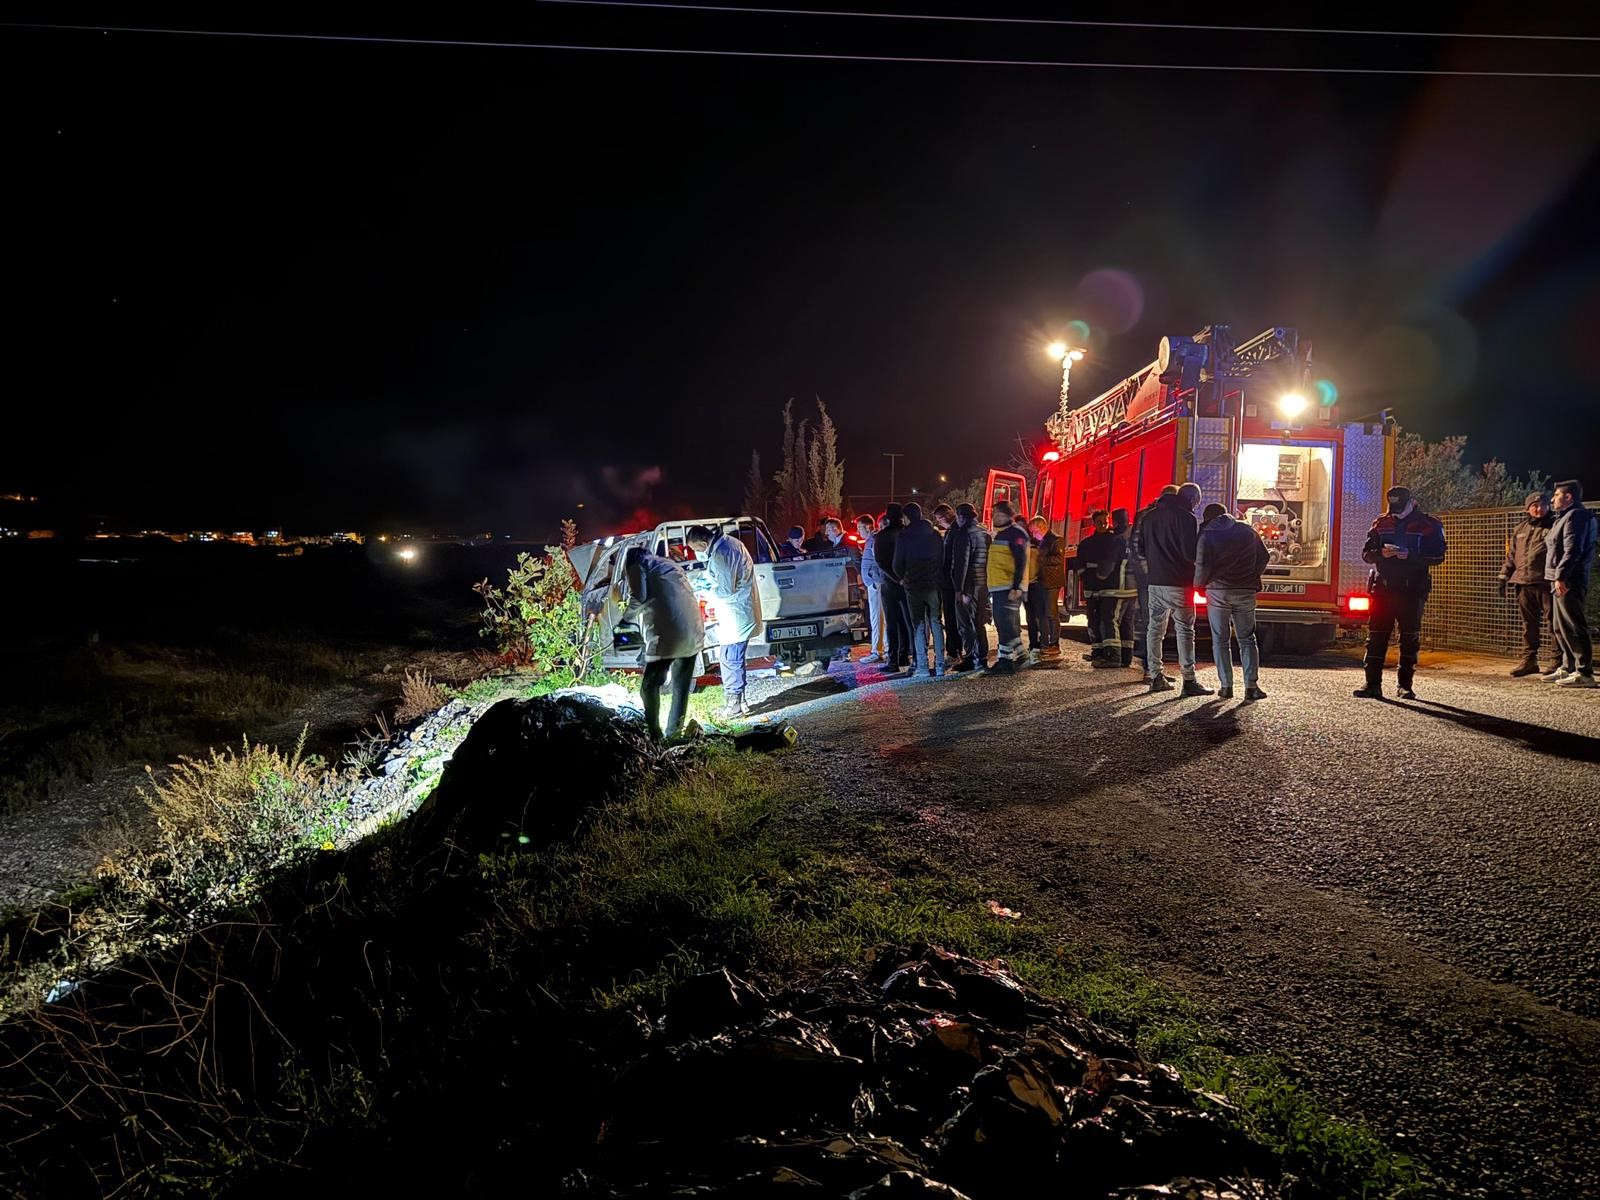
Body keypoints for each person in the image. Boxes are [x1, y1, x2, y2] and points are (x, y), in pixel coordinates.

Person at [1353, 485, 1447, 700]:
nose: (1395, 510)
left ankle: (1405, 686)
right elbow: (1367, 554)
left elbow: (1438, 556)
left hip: (1412, 589)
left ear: (1410, 503)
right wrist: (1381, 553)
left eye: (1399, 506)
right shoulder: (1381, 523)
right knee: (1376, 637)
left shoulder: (1428, 525)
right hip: (1383, 588)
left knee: (1409, 638)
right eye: (1392, 506)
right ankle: (1372, 685)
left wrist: (1410, 555)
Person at [616, 546, 705, 739]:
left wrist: (625, 619)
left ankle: (654, 733)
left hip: (669, 633)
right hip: (693, 628)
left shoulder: (637, 565)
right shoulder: (669, 564)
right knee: (681, 685)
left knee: (649, 686)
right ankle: (674, 733)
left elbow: (638, 596)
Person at [1140, 482, 1211, 696]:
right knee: (1185, 630)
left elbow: (1142, 549)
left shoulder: (1149, 517)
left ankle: (1155, 675)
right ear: (1191, 499)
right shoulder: (1186, 518)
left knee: (1155, 630)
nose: (1196, 507)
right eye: (1196, 503)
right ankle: (1189, 680)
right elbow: (1190, 553)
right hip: (1180, 583)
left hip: (1154, 582)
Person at [685, 523, 762, 717]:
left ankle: (734, 704)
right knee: (733, 657)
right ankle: (741, 701)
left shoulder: (720, 554)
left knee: (730, 658)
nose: (697, 553)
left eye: (696, 549)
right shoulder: (730, 543)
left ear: (703, 543)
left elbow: (725, 590)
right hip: (740, 610)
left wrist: (702, 590)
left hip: (735, 613)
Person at [1194, 502, 1269, 700]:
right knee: (1247, 639)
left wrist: (1199, 585)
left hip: (1217, 591)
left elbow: (1202, 563)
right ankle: (1251, 686)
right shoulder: (1247, 530)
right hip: (1245, 590)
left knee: (1220, 639)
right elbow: (1264, 557)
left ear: (1208, 518)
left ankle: (1226, 686)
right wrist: (1252, 575)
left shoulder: (1207, 533)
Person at [1545, 479, 1597, 688]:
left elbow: (1572, 550)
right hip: (1559, 578)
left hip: (1569, 580)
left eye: (1556, 495)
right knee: (1560, 627)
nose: (1552, 499)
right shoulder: (1564, 517)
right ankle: (1568, 667)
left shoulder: (1576, 517)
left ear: (1568, 497)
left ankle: (1584, 672)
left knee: (1574, 626)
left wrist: (1562, 577)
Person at [1499, 492, 1555, 677]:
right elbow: (1512, 556)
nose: (1538, 509)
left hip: (1546, 583)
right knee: (1528, 625)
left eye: (1542, 505)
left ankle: (1557, 661)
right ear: (1527, 508)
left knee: (1553, 623)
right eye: (1534, 505)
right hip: (1523, 583)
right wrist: (1503, 576)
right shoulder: (1519, 529)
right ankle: (1529, 661)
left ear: (1549, 506)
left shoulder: (1554, 526)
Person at [893, 502, 947, 677]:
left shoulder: (904, 536)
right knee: (936, 622)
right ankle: (940, 664)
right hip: (933, 584)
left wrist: (902, 578)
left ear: (907, 517)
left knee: (918, 624)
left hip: (913, 585)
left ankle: (923, 666)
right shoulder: (934, 534)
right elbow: (943, 558)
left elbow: (897, 563)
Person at [1129, 485, 1178, 677]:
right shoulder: (1148, 515)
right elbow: (1136, 547)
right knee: (1150, 621)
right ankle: (1150, 669)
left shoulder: (1148, 514)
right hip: (1152, 578)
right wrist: (1148, 574)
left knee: (1156, 623)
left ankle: (1154, 668)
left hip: (1159, 577)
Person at [1078, 510, 1135, 667]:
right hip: (1130, 588)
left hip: (1114, 588)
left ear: (1113, 522)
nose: (1104, 524)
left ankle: (1112, 656)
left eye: (1106, 521)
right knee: (1125, 622)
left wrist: (1099, 576)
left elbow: (1106, 567)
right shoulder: (1132, 538)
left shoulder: (1115, 540)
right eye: (1100, 521)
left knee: (1110, 620)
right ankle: (1124, 656)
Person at [987, 500, 1032, 672]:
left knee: (1004, 624)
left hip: (1008, 587)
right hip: (1000, 586)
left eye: (996, 513)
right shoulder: (1003, 533)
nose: (993, 517)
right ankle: (1021, 655)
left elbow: (1021, 561)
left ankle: (1005, 661)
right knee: (1005, 623)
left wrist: (1016, 586)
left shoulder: (1015, 534)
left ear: (1006, 514)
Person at [949, 503, 991, 671]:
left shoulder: (963, 534)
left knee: (965, 623)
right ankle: (982, 656)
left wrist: (961, 590)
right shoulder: (984, 533)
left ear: (960, 517)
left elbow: (962, 564)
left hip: (969, 584)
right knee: (979, 622)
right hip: (983, 583)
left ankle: (971, 657)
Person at [874, 503, 912, 671]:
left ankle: (893, 660)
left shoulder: (881, 536)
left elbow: (881, 562)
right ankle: (907, 656)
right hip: (908, 581)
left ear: (887, 518)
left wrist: (896, 578)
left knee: (892, 622)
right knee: (908, 622)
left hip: (889, 584)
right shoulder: (907, 534)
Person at [1027, 515, 1065, 663]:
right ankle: (1049, 642)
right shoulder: (1042, 541)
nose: (1033, 534)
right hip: (1044, 581)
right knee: (1046, 613)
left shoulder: (1055, 540)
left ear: (1042, 527)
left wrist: (1041, 558)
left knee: (1051, 613)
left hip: (1052, 582)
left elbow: (1059, 559)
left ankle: (1054, 643)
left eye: (1034, 530)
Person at [933, 504, 965, 666]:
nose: (939, 523)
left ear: (945, 516)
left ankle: (953, 651)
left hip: (950, 582)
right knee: (954, 618)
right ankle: (956, 649)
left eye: (939, 519)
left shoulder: (953, 532)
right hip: (951, 581)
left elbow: (950, 559)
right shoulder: (956, 530)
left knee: (952, 618)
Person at [856, 512, 888, 663]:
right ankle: (886, 649)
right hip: (875, 582)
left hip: (876, 583)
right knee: (881, 617)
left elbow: (880, 560)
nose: (858, 532)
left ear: (868, 527)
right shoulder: (871, 540)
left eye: (860, 528)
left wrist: (872, 577)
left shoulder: (873, 540)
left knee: (876, 617)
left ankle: (877, 650)